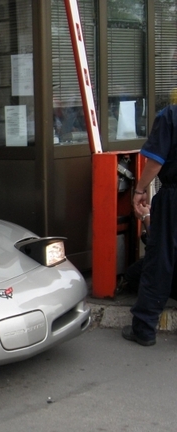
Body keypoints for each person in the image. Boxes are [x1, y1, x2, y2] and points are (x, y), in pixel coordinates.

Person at [122, 104, 177, 346]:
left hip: (174, 197)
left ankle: (144, 327)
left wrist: (141, 188)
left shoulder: (170, 116)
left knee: (159, 259)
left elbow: (155, 160)